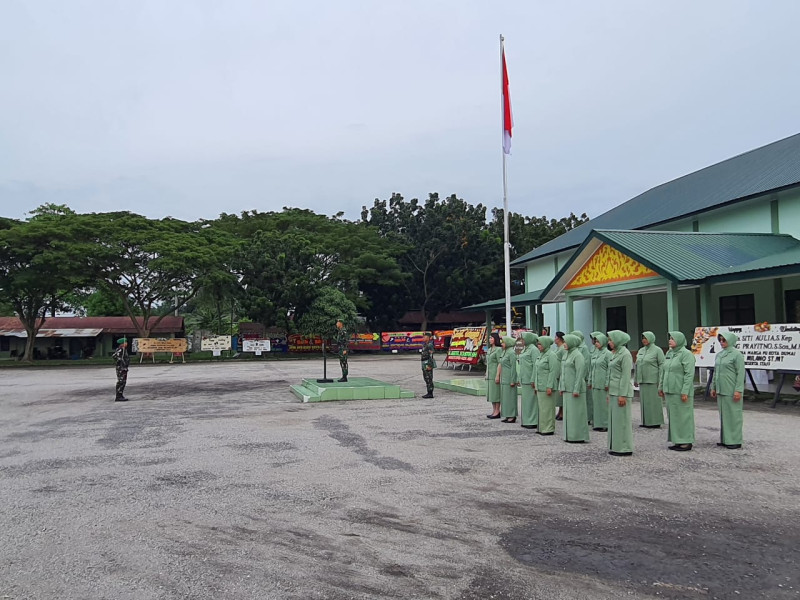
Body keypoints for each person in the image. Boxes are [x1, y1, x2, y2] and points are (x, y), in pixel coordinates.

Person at [659, 331, 697, 452]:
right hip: (670, 390)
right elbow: (664, 371)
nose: (670, 340)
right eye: (670, 338)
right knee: (674, 416)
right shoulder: (670, 353)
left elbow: (689, 374)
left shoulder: (686, 354)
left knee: (684, 416)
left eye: (673, 339)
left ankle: (686, 441)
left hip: (680, 390)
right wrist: (661, 386)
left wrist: (685, 391)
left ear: (680, 340)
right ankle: (677, 440)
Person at [710, 332, 746, 449]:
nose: (721, 342)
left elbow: (740, 373)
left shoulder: (736, 354)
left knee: (733, 414)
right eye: (720, 340)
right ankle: (726, 439)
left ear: (730, 340)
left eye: (724, 340)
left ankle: (735, 440)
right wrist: (713, 387)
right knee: (724, 415)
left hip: (731, 388)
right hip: (721, 389)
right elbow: (715, 372)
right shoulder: (719, 355)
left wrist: (738, 390)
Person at [606, 330, 634, 456]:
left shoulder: (625, 354)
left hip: (621, 391)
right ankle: (616, 446)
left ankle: (624, 447)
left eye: (611, 340)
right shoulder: (615, 353)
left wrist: (622, 394)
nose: (609, 342)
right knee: (615, 420)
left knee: (622, 420)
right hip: (614, 391)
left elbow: (625, 376)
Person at [560, 334, 589, 443]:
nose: (564, 344)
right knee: (569, 413)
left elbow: (580, 373)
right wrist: (561, 387)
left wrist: (576, 389)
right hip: (567, 388)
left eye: (566, 342)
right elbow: (562, 371)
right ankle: (569, 435)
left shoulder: (578, 355)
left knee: (577, 413)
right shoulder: (566, 354)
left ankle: (578, 435)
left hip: (575, 389)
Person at [635, 331, 666, 428]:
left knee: (654, 401)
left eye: (646, 338)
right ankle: (646, 421)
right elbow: (637, 365)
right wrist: (636, 379)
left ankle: (655, 421)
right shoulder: (641, 350)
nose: (644, 340)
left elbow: (662, 365)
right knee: (645, 402)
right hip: (643, 380)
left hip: (653, 379)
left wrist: (661, 380)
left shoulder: (657, 350)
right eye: (643, 338)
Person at [534, 335, 560, 436]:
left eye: (540, 344)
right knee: (541, 408)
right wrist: (536, 385)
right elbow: (537, 371)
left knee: (548, 408)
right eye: (538, 344)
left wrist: (549, 386)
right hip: (540, 385)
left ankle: (548, 428)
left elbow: (553, 372)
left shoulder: (551, 355)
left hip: (547, 386)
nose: (538, 346)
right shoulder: (541, 355)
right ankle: (541, 427)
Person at [518, 332, 540, 429]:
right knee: (526, 401)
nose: (522, 341)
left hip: (530, 379)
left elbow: (536, 365)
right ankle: (526, 420)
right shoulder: (525, 349)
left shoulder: (534, 350)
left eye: (523, 339)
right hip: (524, 378)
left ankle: (533, 421)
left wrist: (533, 379)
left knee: (531, 401)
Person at [590, 332, 611, 432]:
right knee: (596, 404)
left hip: (603, 383)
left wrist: (607, 383)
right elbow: (591, 368)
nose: (596, 343)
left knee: (603, 405)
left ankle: (605, 424)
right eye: (595, 341)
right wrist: (590, 381)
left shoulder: (608, 354)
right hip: (595, 382)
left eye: (598, 341)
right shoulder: (595, 353)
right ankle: (597, 423)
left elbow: (609, 370)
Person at [571, 330, 593, 426]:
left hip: (584, 377)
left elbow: (586, 363)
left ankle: (588, 417)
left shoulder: (583, 348)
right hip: (576, 377)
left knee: (587, 399)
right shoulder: (574, 348)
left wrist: (583, 377)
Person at [497, 335, 518, 423]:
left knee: (510, 398)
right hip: (504, 378)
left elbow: (514, 367)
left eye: (504, 342)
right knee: (505, 398)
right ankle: (506, 414)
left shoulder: (511, 353)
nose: (502, 344)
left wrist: (513, 380)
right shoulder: (504, 352)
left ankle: (512, 415)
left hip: (509, 378)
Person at [485, 332, 502, 418]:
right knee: (491, 394)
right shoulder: (489, 350)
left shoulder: (498, 349)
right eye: (489, 338)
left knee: (496, 394)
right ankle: (494, 410)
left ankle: (497, 411)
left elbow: (500, 363)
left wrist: (498, 375)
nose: (490, 340)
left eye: (492, 338)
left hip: (495, 374)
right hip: (489, 374)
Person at [112, 337, 130, 402]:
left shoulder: (123, 349)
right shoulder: (121, 349)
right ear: (122, 344)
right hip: (121, 368)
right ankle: (118, 396)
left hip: (124, 368)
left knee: (123, 381)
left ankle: (120, 395)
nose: (126, 343)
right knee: (121, 381)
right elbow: (114, 356)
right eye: (125, 342)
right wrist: (120, 360)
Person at [554, 331, 566, 420]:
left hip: (560, 373)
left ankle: (562, 412)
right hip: (556, 373)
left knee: (560, 395)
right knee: (558, 396)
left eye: (556, 338)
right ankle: (559, 411)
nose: (554, 339)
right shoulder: (557, 348)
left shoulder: (562, 348)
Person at [420, 331, 435, 398]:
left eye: (425, 336)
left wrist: (430, 365)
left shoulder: (429, 345)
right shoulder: (425, 344)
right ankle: (428, 392)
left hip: (428, 363)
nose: (424, 338)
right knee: (426, 377)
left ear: (429, 338)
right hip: (424, 362)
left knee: (429, 378)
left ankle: (430, 393)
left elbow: (431, 355)